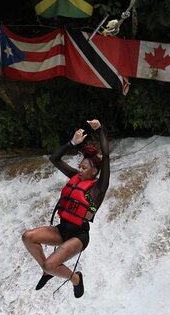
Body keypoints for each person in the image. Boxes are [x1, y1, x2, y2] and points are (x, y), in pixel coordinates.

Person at [22, 119, 110, 298]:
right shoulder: (75, 177)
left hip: (79, 236)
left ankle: (75, 278)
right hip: (62, 230)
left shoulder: (98, 187)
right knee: (28, 237)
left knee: (50, 264)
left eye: (84, 168)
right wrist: (72, 143)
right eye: (79, 166)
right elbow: (54, 159)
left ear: (94, 171)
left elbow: (106, 157)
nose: (79, 170)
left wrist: (99, 129)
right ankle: (47, 272)